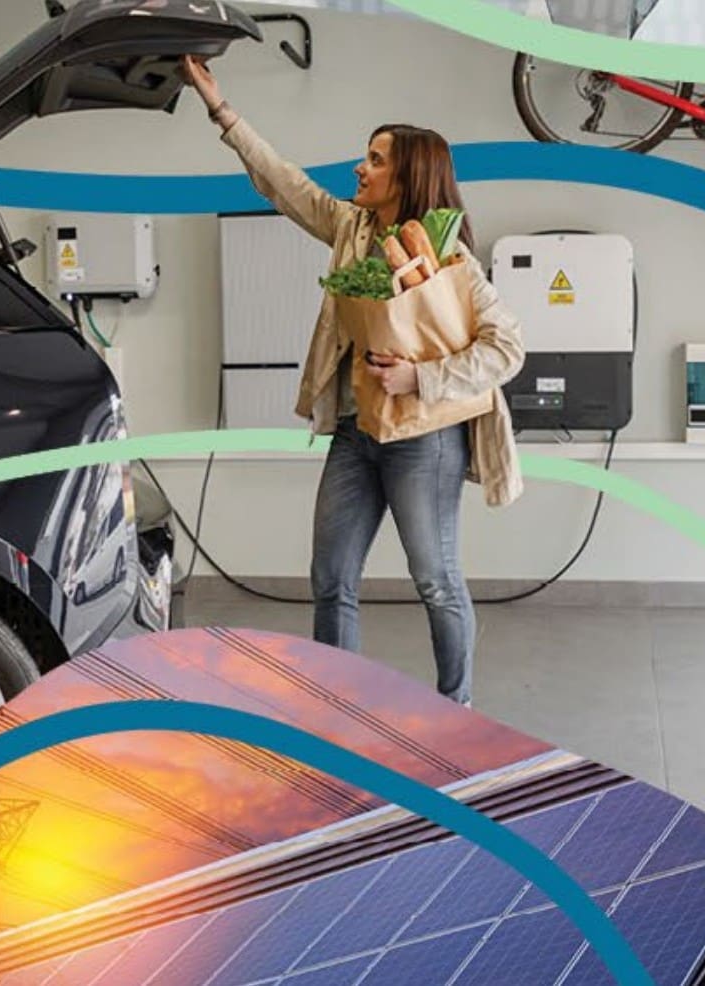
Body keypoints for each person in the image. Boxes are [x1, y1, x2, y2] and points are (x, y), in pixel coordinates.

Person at [179, 56, 525, 707]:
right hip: (352, 431)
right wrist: (220, 109)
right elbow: (282, 184)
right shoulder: (351, 228)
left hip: (425, 440)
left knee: (436, 582)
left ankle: (457, 709)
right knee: (331, 577)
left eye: (374, 160)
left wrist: (420, 374)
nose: (359, 169)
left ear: (407, 176)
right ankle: (334, 710)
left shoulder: (449, 259)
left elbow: (507, 348)